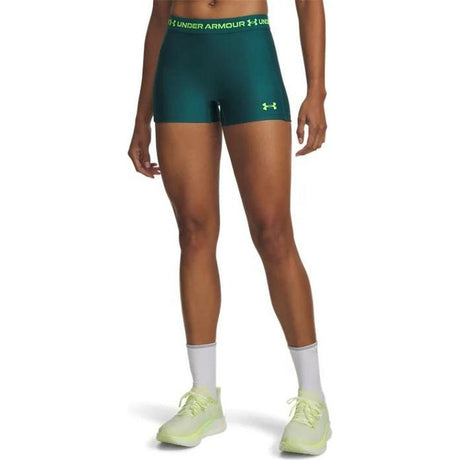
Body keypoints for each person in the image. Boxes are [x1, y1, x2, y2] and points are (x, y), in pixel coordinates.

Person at [127, 0, 331, 455]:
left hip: (248, 53)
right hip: (180, 60)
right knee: (194, 232)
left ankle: (313, 399)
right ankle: (204, 397)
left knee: (272, 232)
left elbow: (308, 2)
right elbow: (159, 14)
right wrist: (141, 116)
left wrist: (316, 90)